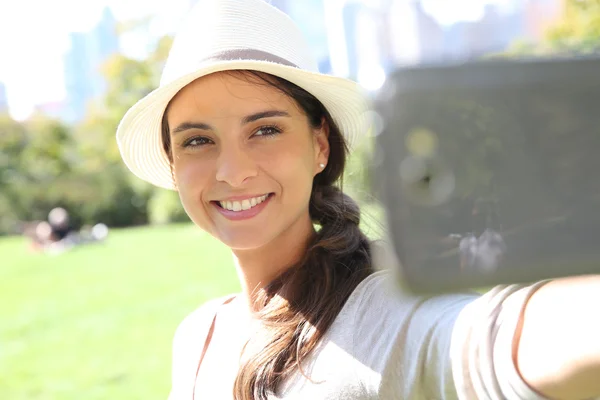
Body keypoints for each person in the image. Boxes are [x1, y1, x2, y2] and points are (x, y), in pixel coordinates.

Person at [116, 0, 600, 399]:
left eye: (265, 130)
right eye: (197, 140)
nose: (232, 170)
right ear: (174, 164)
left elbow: (502, 344)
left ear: (320, 145)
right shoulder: (197, 336)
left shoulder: (385, 314)